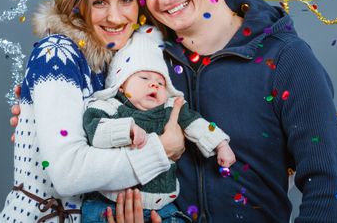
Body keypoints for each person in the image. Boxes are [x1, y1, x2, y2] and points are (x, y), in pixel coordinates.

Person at [11, 0, 337, 222]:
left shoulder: (286, 60)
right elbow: (86, 126)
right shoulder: (142, 56)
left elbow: (325, 190)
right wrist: (34, 118)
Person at [0, 0, 185, 223]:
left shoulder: (113, 67)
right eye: (99, 2)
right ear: (78, 4)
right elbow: (67, 173)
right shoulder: (57, 53)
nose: (115, 16)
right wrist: (161, 150)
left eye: (126, 0)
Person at [81, 26, 235, 222]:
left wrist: (221, 144)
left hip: (162, 206)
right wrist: (126, 129)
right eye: (144, 78)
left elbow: (198, 124)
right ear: (121, 84)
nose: (153, 84)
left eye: (161, 83)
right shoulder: (110, 107)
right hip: (109, 202)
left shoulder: (171, 108)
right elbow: (95, 130)